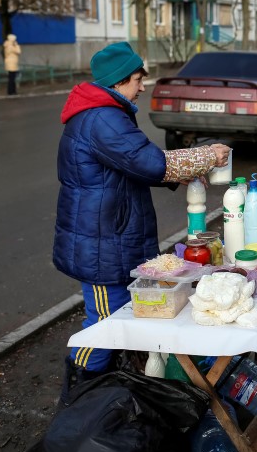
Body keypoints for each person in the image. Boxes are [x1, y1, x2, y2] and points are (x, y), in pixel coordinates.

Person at [52, 41, 230, 406]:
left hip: (110, 237)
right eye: (138, 79)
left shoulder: (103, 113)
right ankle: (78, 396)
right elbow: (149, 162)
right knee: (103, 325)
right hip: (101, 244)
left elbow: (131, 163)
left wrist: (170, 175)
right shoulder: (102, 117)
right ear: (119, 81)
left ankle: (102, 392)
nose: (143, 86)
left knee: (117, 319)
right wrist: (205, 156)